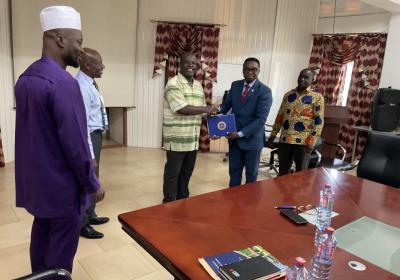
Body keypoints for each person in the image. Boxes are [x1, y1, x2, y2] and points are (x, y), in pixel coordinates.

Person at [14, 6, 104, 275]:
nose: (81, 49)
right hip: (63, 189)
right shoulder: (64, 84)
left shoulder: (26, 78)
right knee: (60, 258)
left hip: (37, 186)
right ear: (59, 39)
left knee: (41, 237)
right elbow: (75, 145)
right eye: (78, 41)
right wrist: (92, 183)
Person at [162, 52, 218, 203]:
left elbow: (201, 112)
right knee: (173, 173)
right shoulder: (173, 83)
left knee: (187, 172)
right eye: (187, 62)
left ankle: (182, 199)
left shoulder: (198, 86)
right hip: (177, 138)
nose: (190, 66)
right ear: (180, 64)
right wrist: (207, 109)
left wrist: (214, 128)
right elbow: (182, 108)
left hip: (192, 139)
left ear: (197, 66)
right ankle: (169, 202)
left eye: (193, 63)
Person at [219, 57, 273, 187]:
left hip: (252, 141)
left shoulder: (265, 91)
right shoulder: (235, 85)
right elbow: (225, 106)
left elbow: (260, 119)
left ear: (258, 71)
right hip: (234, 140)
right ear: (243, 70)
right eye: (247, 69)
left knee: (251, 176)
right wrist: (214, 111)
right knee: (234, 173)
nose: (250, 72)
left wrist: (240, 133)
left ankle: (249, 206)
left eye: (253, 69)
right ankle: (233, 202)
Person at [76, 48, 109, 239]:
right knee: (89, 179)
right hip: (89, 135)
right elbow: (83, 122)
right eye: (100, 64)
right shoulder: (81, 85)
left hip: (96, 134)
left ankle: (91, 214)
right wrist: (90, 153)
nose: (103, 67)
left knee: (94, 177)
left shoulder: (90, 83)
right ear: (88, 65)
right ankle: (83, 224)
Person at [267, 68, 324, 175]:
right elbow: (280, 116)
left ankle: (298, 193)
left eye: (306, 78)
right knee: (283, 174)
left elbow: (319, 121)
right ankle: (282, 192)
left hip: (304, 143)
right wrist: (273, 135)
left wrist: (312, 142)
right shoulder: (288, 95)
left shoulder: (317, 97)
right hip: (285, 140)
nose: (302, 79)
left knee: (301, 175)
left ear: (312, 80)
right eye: (300, 76)